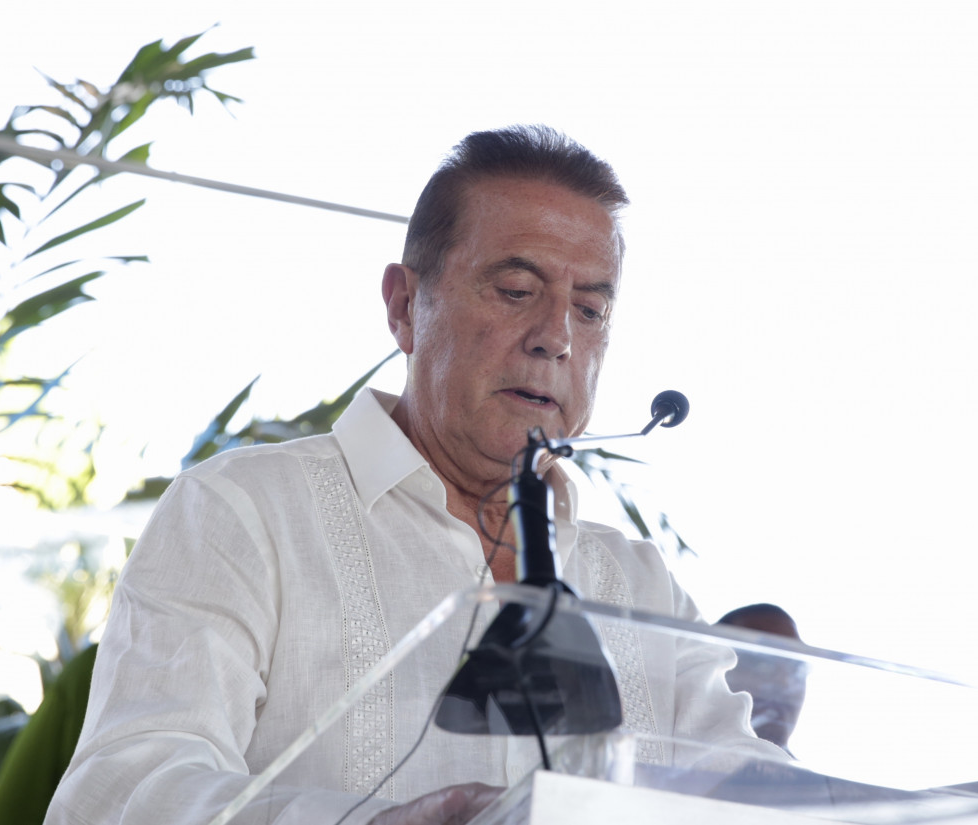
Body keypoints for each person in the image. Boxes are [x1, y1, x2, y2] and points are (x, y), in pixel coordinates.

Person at [46, 125, 775, 825]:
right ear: (404, 307)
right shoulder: (244, 513)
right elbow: (121, 796)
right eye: (516, 290)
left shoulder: (643, 588)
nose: (555, 337)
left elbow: (759, 800)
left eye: (589, 310)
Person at [716, 604, 807, 752]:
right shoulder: (676, 755)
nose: (784, 683)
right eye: (762, 665)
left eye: (796, 669)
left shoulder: (814, 769)